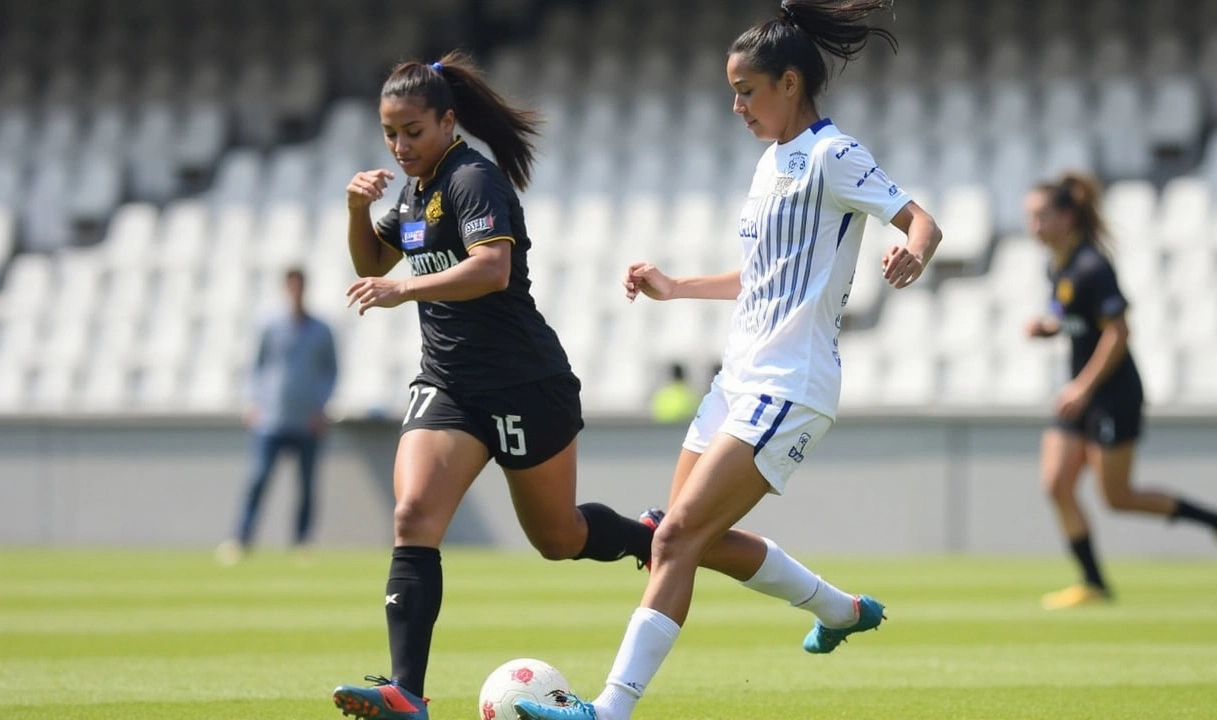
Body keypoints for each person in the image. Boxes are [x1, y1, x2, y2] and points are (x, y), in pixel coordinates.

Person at [331, 49, 902, 720]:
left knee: (565, 538)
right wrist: (353, 210)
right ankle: (407, 691)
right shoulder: (412, 190)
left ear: (447, 121)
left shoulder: (472, 181)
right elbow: (374, 255)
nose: (400, 146)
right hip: (449, 384)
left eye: (412, 132)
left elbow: (490, 270)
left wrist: (403, 289)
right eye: (389, 134)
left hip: (524, 383)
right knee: (413, 517)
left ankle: (643, 571)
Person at [514, 3, 943, 720]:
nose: (736, 105)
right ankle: (841, 611)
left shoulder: (834, 155)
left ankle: (609, 710)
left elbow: (920, 219)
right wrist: (678, 287)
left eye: (747, 89)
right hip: (735, 379)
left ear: (790, 82)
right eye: (733, 91)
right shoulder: (770, 162)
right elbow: (764, 276)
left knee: (676, 534)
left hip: (790, 382)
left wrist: (913, 251)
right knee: (681, 538)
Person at [1022, 173, 1217, 610]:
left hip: (1111, 393)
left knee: (1118, 497)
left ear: (1066, 217)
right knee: (1055, 483)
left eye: (1040, 217)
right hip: (1080, 392)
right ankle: (1093, 583)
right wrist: (1048, 328)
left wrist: (1084, 387)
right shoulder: (1057, 264)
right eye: (1029, 218)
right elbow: (1071, 317)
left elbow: (1119, 332)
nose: (1033, 227)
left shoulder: (1092, 266)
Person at [216, 267, 338, 566]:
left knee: (307, 485)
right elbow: (256, 366)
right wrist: (254, 402)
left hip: (307, 420)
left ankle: (303, 541)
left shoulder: (321, 330)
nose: (296, 291)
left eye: (300, 286)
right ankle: (241, 539)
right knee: (258, 479)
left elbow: (331, 371)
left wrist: (321, 407)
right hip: (271, 419)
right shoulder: (269, 326)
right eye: (291, 286)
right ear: (285, 288)